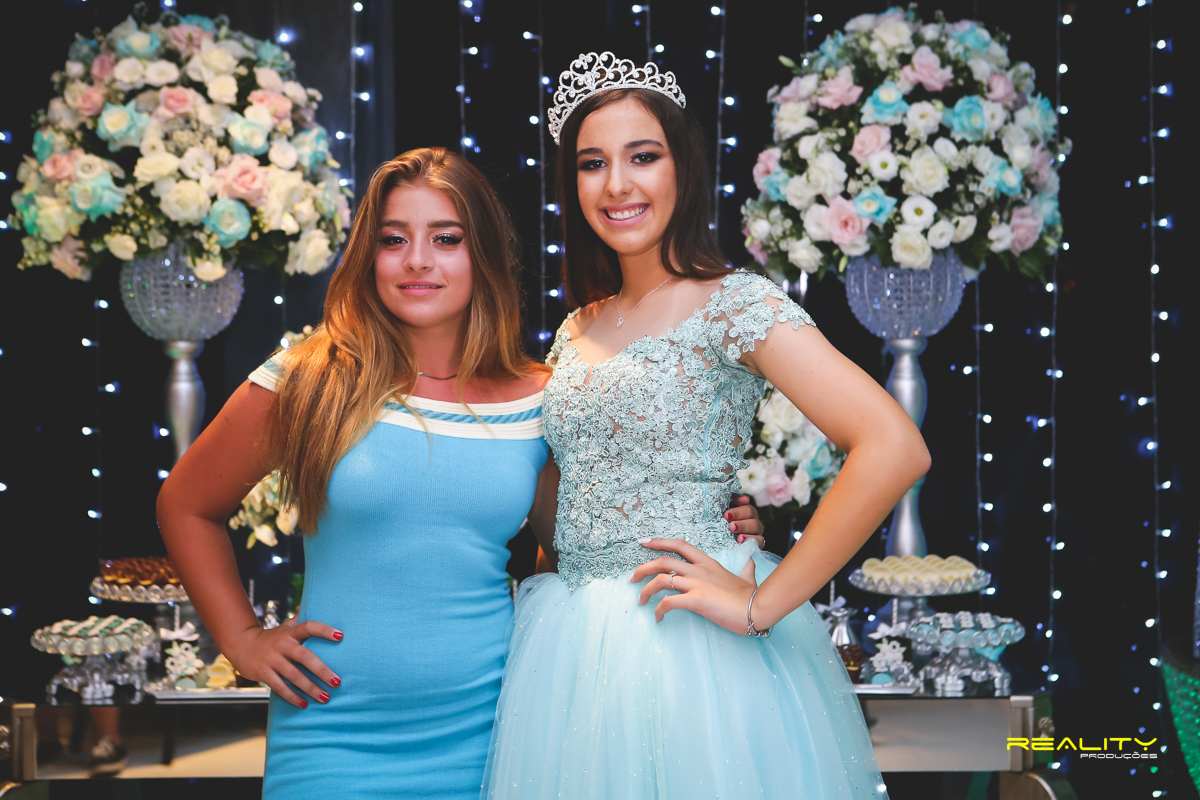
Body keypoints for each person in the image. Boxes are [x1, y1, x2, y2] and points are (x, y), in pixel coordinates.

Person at [156, 147, 762, 799]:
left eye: (446, 239)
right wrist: (242, 637)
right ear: (368, 255)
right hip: (331, 735)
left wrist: (710, 530)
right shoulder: (310, 379)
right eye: (394, 239)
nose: (417, 260)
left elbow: (577, 555)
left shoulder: (539, 398)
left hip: (495, 734)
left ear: (484, 256)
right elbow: (185, 504)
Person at [482, 55, 930, 799]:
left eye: (642, 157)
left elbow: (893, 446)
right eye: (593, 163)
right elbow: (564, 496)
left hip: (686, 646)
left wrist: (761, 602)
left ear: (682, 170)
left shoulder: (734, 303)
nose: (617, 184)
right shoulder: (577, 326)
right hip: (571, 644)